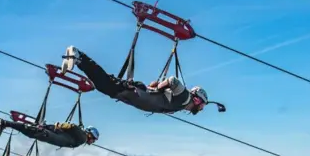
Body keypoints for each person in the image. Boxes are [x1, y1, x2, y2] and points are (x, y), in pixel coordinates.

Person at [60, 45, 209, 115]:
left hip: (134, 94)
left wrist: (157, 88)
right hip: (133, 92)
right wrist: (160, 87)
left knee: (102, 83)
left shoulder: (180, 104)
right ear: (197, 100)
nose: (202, 109)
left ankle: (79, 59)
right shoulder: (185, 98)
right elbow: (173, 80)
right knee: (103, 82)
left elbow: (158, 92)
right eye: (202, 106)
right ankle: (79, 56)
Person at [0, 118, 100, 149]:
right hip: (49, 135)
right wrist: (62, 125)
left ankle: (5, 123)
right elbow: (73, 127)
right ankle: (4, 123)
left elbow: (70, 129)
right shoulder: (82, 137)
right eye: (93, 139)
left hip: (49, 134)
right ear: (90, 134)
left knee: (29, 131)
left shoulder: (80, 137)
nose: (92, 141)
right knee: (29, 131)